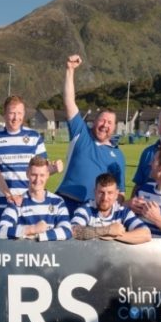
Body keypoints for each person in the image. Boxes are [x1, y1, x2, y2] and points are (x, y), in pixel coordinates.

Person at [56, 55, 125, 215]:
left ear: (114, 128)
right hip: (67, 202)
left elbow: (120, 192)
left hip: (94, 210)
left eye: (109, 123)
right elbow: (69, 101)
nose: (105, 125)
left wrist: (112, 212)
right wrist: (70, 70)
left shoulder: (118, 156)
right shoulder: (81, 133)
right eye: (102, 120)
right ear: (94, 122)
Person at [0, 95, 63, 226]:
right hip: (1, 202)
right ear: (4, 114)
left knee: (27, 242)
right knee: (0, 243)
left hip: (27, 203)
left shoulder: (34, 137)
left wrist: (55, 168)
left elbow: (42, 170)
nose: (16, 118)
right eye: (11, 113)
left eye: (19, 113)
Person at [0, 156, 72, 241]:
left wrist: (38, 236)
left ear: (48, 175)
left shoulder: (58, 202)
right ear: (27, 174)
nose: (38, 180)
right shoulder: (17, 203)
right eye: (34, 175)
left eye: (42, 175)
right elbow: (1, 231)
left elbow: (67, 231)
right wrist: (32, 229)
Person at [71, 173, 151, 244]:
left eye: (110, 193)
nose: (105, 198)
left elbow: (146, 234)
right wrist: (107, 230)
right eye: (101, 192)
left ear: (116, 194)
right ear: (95, 192)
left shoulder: (123, 212)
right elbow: (74, 231)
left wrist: (114, 236)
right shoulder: (85, 209)